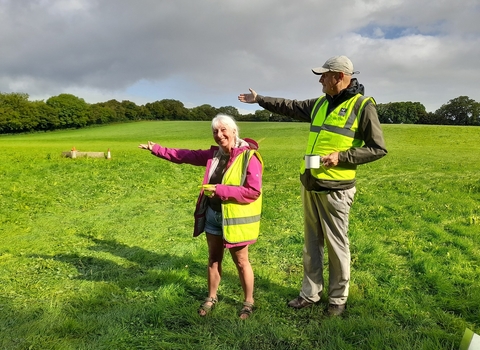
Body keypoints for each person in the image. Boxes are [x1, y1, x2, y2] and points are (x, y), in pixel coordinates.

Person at [238, 55, 387, 316]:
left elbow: (377, 149)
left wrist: (341, 157)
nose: (320, 80)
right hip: (310, 183)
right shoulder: (320, 103)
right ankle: (310, 294)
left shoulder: (362, 106)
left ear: (339, 77)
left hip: (336, 189)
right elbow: (290, 106)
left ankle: (338, 300)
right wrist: (260, 99)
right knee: (311, 243)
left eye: (324, 75)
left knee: (336, 246)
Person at [139, 114, 263, 319]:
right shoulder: (213, 155)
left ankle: (248, 301)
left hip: (235, 219)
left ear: (234, 131)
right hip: (213, 215)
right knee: (214, 259)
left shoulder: (249, 157)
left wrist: (221, 190)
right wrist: (157, 149)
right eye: (215, 131)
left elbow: (253, 191)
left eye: (223, 130)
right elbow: (184, 155)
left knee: (241, 262)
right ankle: (212, 297)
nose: (219, 134)